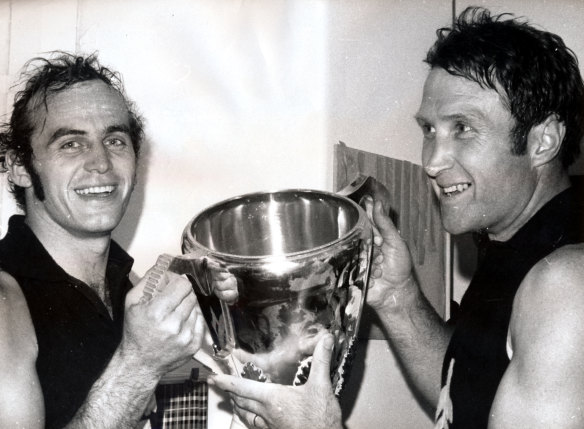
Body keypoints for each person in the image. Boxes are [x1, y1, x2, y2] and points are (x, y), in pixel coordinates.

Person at [209, 7, 584, 429]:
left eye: (462, 127)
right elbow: (467, 388)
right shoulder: (513, 245)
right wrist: (398, 298)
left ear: (543, 141)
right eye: (429, 130)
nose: (433, 161)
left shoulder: (566, 283)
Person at [0, 53, 206, 429]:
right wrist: (139, 364)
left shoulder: (126, 284)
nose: (101, 163)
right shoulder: (4, 298)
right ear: (20, 166)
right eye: (70, 144)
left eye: (114, 139)